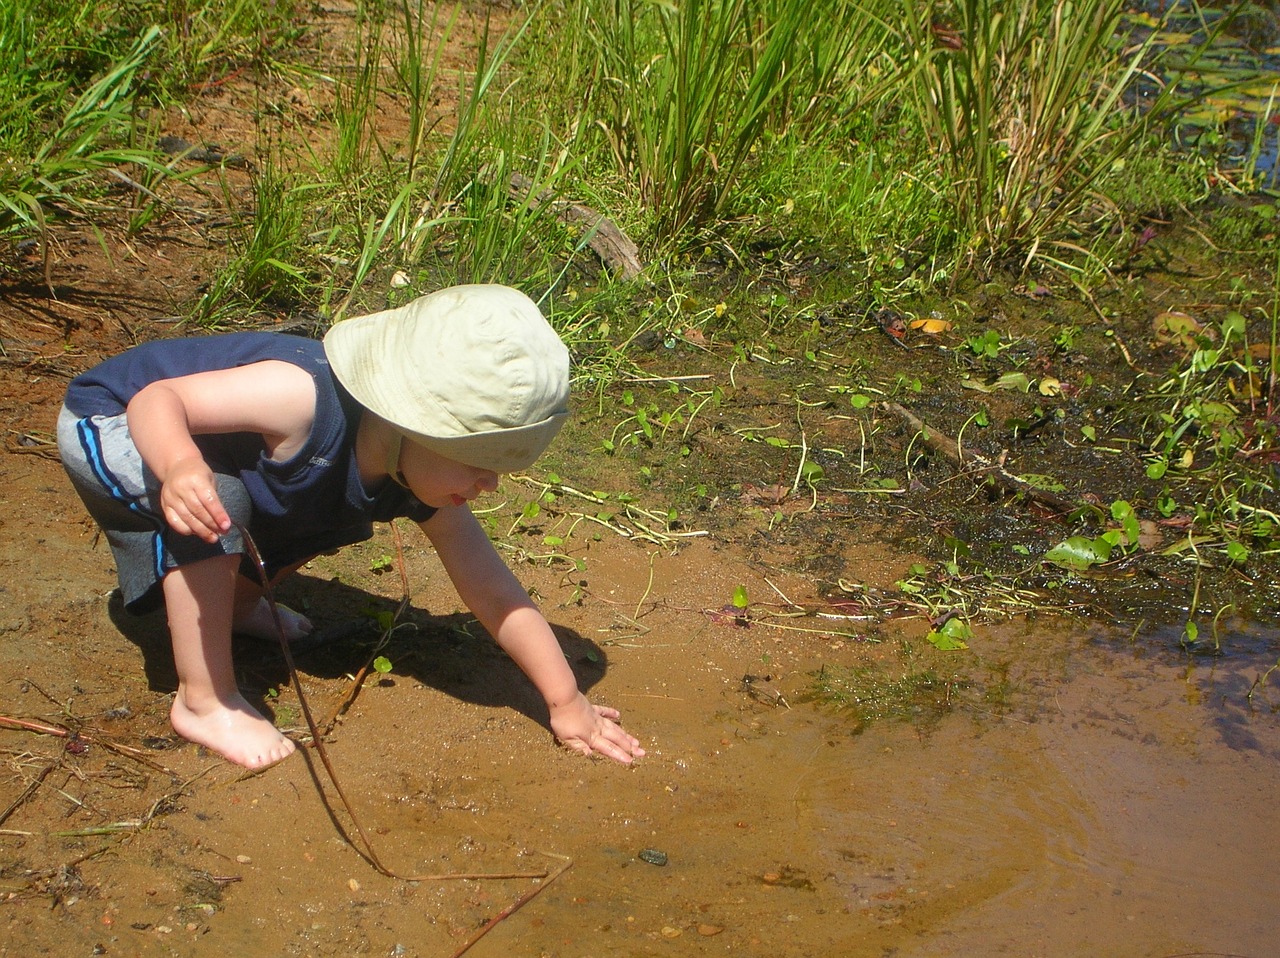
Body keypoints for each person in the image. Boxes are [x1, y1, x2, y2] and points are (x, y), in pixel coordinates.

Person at [57, 284, 645, 770]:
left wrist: (566, 700)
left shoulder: (412, 469)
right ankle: (204, 699)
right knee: (224, 498)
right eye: (479, 464)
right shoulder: (300, 398)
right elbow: (158, 401)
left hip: (208, 447)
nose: (490, 486)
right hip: (114, 421)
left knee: (313, 508)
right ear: (413, 425)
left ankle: (230, 609)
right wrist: (180, 467)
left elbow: (493, 589)